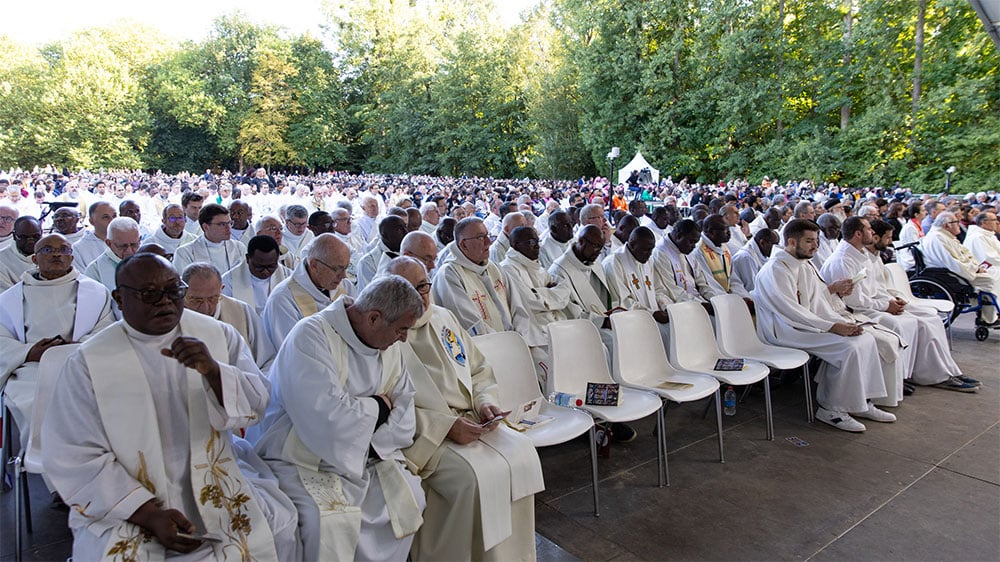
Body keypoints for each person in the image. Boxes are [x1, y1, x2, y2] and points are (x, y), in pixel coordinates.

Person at [41, 253, 298, 561]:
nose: (165, 302)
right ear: (119, 299)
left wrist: (214, 372)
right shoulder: (89, 362)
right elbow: (72, 454)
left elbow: (258, 402)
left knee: (276, 528)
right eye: (149, 294)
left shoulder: (217, 334)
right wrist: (148, 514)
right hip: (131, 490)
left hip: (215, 472)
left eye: (174, 291)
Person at [254, 276, 426, 561]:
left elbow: (405, 403)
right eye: (402, 329)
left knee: (410, 500)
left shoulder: (390, 344)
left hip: (368, 455)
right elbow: (327, 416)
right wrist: (380, 408)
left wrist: (368, 432)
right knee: (327, 522)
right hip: (303, 456)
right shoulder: (311, 336)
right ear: (373, 318)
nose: (404, 338)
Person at [388, 257, 544, 561]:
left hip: (472, 419)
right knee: (471, 478)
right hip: (427, 437)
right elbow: (390, 405)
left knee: (523, 453)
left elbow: (479, 370)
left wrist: (485, 402)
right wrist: (446, 427)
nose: (419, 296)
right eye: (408, 289)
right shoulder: (389, 334)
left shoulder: (444, 317)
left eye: (422, 286)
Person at [753, 219, 897, 432]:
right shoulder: (776, 269)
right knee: (848, 347)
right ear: (792, 242)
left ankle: (861, 402)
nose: (816, 246)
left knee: (865, 338)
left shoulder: (803, 264)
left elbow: (817, 297)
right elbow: (790, 310)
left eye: (816, 241)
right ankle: (832, 409)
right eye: (809, 241)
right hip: (785, 330)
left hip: (807, 324)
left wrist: (839, 317)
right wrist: (832, 326)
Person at [821, 217, 977, 403]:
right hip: (856, 311)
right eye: (870, 229)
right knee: (902, 324)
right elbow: (854, 301)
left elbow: (876, 288)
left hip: (871, 305)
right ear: (858, 234)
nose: (873, 233)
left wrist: (891, 300)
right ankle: (905, 377)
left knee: (931, 319)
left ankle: (942, 371)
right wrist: (886, 305)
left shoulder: (860, 255)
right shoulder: (844, 260)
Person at [0, 233, 114, 453]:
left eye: (64, 250)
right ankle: (49, 463)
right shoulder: (10, 299)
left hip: (81, 364)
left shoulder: (96, 293)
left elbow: (105, 332)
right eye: (47, 250)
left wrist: (74, 350)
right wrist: (28, 352)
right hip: (31, 370)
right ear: (34, 259)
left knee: (93, 401)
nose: (57, 255)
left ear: (72, 258)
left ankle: (86, 461)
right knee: (34, 402)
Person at [500, 226, 571, 385]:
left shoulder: (535, 265)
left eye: (537, 241)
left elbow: (565, 288)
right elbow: (530, 301)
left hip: (553, 325)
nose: (538, 246)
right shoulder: (508, 268)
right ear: (517, 245)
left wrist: (541, 293)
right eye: (532, 242)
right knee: (550, 374)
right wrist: (548, 294)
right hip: (533, 333)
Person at [262, 233, 355, 349]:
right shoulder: (283, 299)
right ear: (314, 265)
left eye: (345, 268)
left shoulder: (346, 286)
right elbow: (291, 350)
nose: (343, 276)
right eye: (337, 269)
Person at [183, 262, 275, 373]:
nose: (204, 308)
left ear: (221, 289)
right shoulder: (172, 320)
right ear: (183, 292)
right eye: (196, 300)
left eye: (212, 299)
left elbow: (267, 361)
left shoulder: (241, 311)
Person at [433, 217, 513, 335]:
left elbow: (515, 305)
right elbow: (469, 323)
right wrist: (502, 342)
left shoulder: (492, 267)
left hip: (510, 339)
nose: (488, 242)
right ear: (463, 244)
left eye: (487, 235)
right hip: (485, 345)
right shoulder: (450, 274)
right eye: (480, 237)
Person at [603, 226, 677, 348]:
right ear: (632, 244)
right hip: (632, 321)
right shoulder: (614, 263)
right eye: (645, 250)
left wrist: (665, 306)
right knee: (664, 334)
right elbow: (622, 302)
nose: (649, 254)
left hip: (653, 317)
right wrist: (652, 313)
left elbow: (658, 289)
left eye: (651, 250)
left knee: (676, 329)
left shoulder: (647, 260)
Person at [921, 211, 999, 324]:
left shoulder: (945, 236)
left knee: (992, 275)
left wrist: (975, 266)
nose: (959, 224)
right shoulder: (938, 238)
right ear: (947, 225)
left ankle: (989, 315)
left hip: (961, 270)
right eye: (956, 222)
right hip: (947, 274)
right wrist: (975, 269)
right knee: (991, 279)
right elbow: (953, 262)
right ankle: (988, 317)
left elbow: (965, 254)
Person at [650, 219, 720, 305]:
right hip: (680, 305)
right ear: (679, 236)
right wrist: (701, 304)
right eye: (691, 242)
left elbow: (702, 282)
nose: (694, 246)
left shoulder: (686, 250)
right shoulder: (660, 253)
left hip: (697, 300)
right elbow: (672, 290)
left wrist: (714, 299)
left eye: (695, 242)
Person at [222, 235, 291, 317]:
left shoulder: (288, 276)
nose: (265, 271)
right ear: (247, 258)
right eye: (259, 267)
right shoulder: (229, 281)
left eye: (271, 266)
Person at [173, 203, 247, 275]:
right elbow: (185, 284)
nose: (228, 228)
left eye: (230, 223)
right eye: (222, 224)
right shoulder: (185, 253)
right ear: (206, 227)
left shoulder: (239, 248)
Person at [688, 215, 750, 298]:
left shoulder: (723, 247)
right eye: (725, 229)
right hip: (714, 299)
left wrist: (743, 296)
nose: (729, 233)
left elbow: (733, 279)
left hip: (729, 297)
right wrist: (729, 300)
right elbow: (709, 284)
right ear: (711, 232)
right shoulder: (699, 252)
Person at [83, 216, 141, 295]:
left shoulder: (150, 262)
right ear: (108, 243)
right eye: (122, 246)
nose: (129, 251)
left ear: (140, 239)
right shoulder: (95, 270)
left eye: (134, 245)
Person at [356, 215, 407, 290]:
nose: (406, 232)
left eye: (405, 227)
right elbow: (368, 295)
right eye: (399, 229)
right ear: (385, 235)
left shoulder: (411, 252)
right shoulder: (368, 262)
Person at [0, 216, 43, 291]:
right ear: (14, 236)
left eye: (36, 236)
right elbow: (5, 294)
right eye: (24, 237)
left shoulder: (52, 255)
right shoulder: (2, 259)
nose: (30, 241)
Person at [731, 228, 779, 293]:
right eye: (774, 244)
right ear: (762, 243)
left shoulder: (762, 253)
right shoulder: (746, 257)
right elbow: (752, 288)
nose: (775, 248)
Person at [72, 201, 117, 268]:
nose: (112, 220)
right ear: (91, 221)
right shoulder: (78, 248)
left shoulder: (126, 240)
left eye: (114, 216)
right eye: (106, 217)